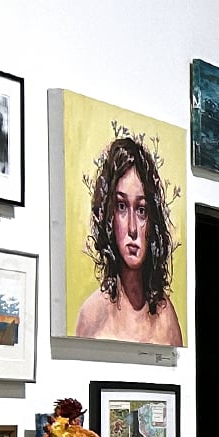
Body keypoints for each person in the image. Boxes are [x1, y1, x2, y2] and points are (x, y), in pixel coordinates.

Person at [75, 134, 184, 345]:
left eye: (141, 210)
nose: (132, 228)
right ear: (108, 215)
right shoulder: (91, 315)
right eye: (121, 206)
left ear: (152, 221)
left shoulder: (166, 318)